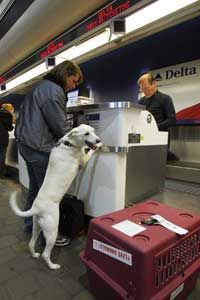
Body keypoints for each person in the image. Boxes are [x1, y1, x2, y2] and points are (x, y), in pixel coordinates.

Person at [15, 60, 83, 246]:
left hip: (27, 145)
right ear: (66, 74)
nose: (73, 85)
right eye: (74, 81)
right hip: (38, 147)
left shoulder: (42, 86)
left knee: (36, 190)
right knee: (50, 196)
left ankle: (30, 225)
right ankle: (48, 235)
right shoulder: (54, 91)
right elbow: (60, 126)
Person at [137, 72, 178, 160]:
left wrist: (154, 127)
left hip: (160, 140)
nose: (144, 92)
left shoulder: (165, 99)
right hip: (144, 139)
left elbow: (172, 120)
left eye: (146, 88)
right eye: (142, 89)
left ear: (154, 83)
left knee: (159, 163)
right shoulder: (140, 101)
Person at [0, 103, 14, 178]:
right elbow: (9, 128)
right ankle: (1, 174)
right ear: (9, 109)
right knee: (2, 156)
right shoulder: (8, 115)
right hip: (2, 139)